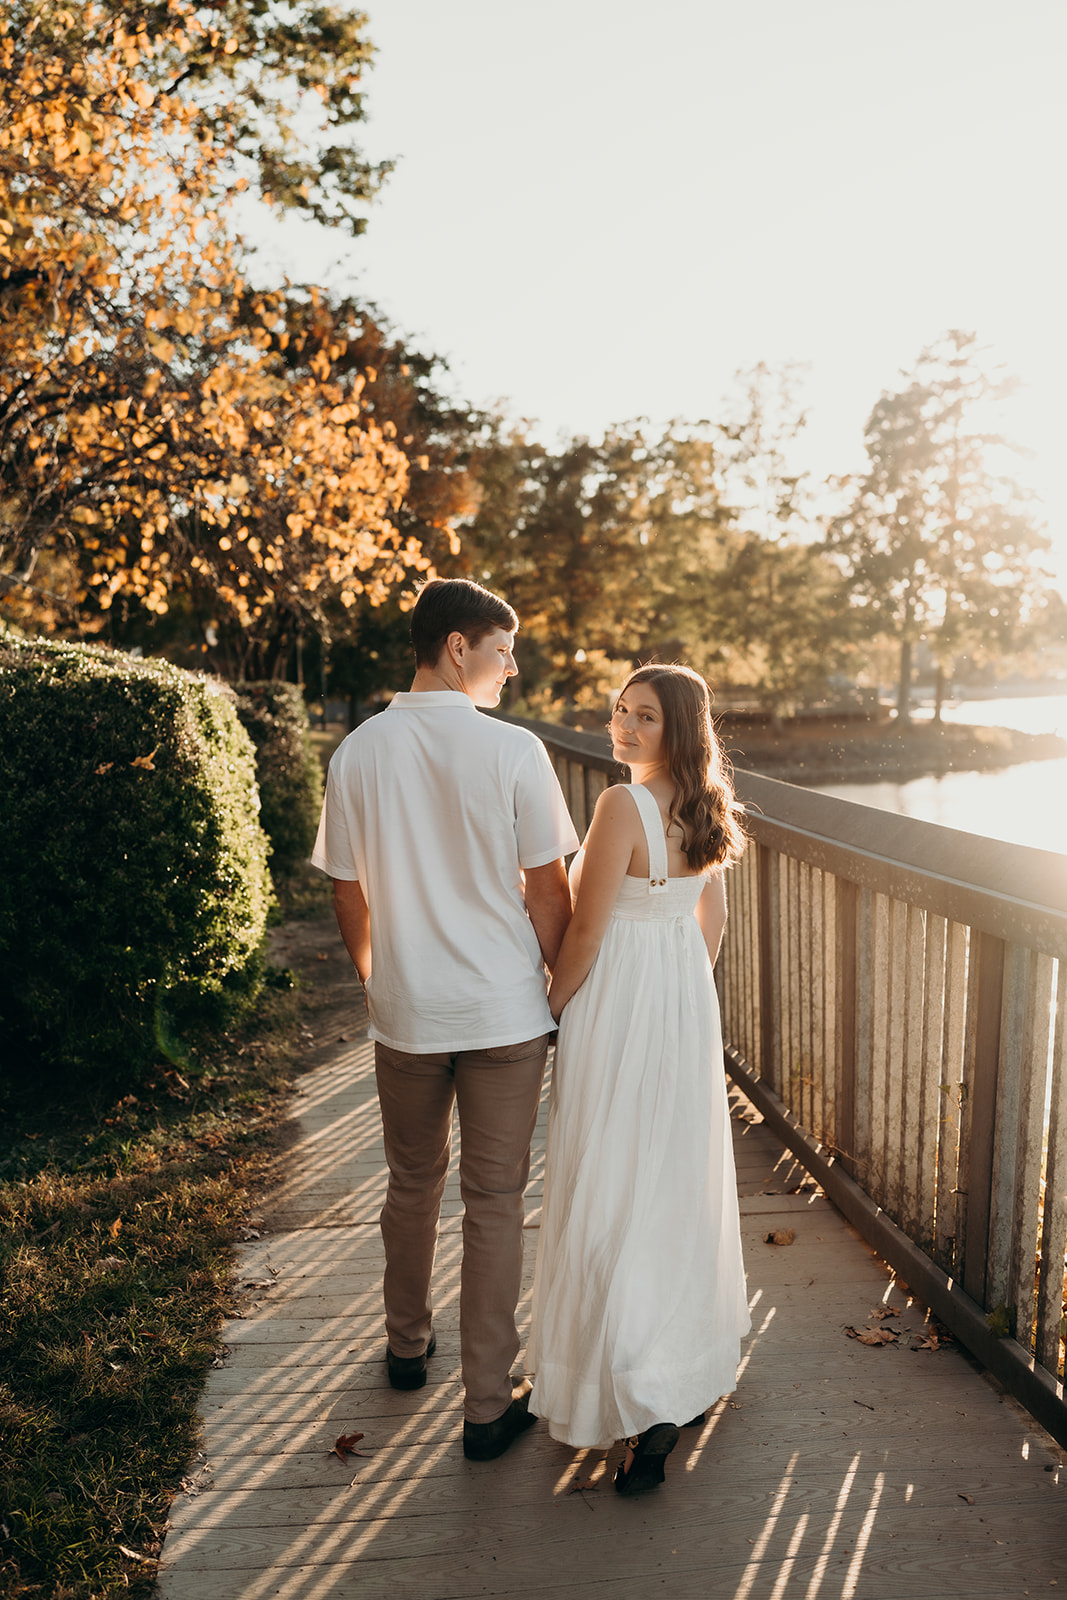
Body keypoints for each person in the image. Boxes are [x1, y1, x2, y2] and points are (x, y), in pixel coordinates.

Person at [311, 578, 578, 1460]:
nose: (511, 668)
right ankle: (486, 1406)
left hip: (407, 1012)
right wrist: (561, 978)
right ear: (457, 647)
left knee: (411, 1182)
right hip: (503, 1010)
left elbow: (348, 890)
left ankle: (404, 1346)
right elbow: (548, 889)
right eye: (502, 651)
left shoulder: (355, 753)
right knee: (495, 1201)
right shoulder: (513, 753)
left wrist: (377, 979)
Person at [527, 663, 750, 1494]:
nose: (621, 728)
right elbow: (711, 918)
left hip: (618, 997)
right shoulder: (703, 804)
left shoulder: (620, 805)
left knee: (607, 1176)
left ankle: (633, 1389)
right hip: (681, 997)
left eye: (644, 717)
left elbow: (583, 935)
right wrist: (683, 997)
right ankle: (681, 1370)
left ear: (677, 730)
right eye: (620, 712)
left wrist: (553, 1007)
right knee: (671, 1180)